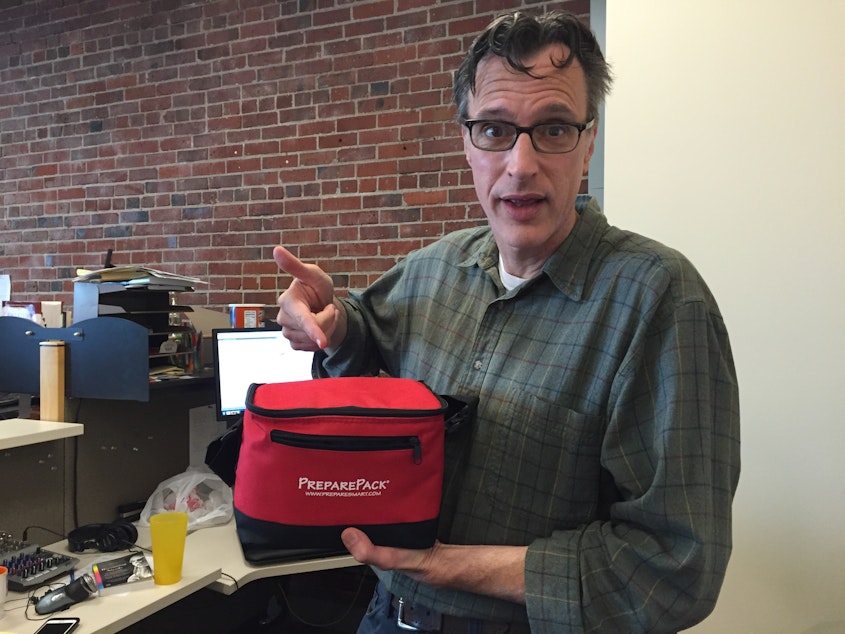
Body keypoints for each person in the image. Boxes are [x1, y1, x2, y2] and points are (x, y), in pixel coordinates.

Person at [274, 9, 740, 634]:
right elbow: (362, 340)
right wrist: (328, 323)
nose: (520, 165)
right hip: (386, 618)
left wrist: (448, 566)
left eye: (551, 129)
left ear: (589, 139)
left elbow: (676, 569)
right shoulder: (431, 270)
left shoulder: (659, 300)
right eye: (495, 129)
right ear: (467, 140)